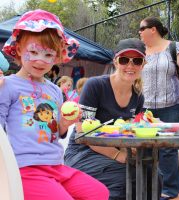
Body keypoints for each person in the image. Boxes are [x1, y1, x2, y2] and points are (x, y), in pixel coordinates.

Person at [0, 9, 109, 200]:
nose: (40, 60)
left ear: (57, 57)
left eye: (48, 54)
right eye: (33, 51)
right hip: (24, 168)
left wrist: (65, 125)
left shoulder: (55, 91)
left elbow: (56, 131)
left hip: (56, 166)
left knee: (99, 193)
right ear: (18, 50)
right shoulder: (8, 86)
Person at [64, 38, 161, 200]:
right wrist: (118, 155)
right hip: (83, 152)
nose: (130, 66)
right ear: (115, 62)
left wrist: (131, 148)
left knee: (154, 176)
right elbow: (82, 134)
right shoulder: (95, 85)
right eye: (124, 60)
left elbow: (128, 132)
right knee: (125, 179)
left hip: (117, 150)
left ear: (143, 65)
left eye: (136, 61)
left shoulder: (138, 97)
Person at [139, 16, 179, 199]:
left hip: (171, 106)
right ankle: (148, 185)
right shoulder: (141, 51)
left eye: (141, 29)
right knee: (144, 146)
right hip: (145, 108)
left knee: (167, 148)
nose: (139, 33)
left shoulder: (175, 47)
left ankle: (169, 189)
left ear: (153, 29)